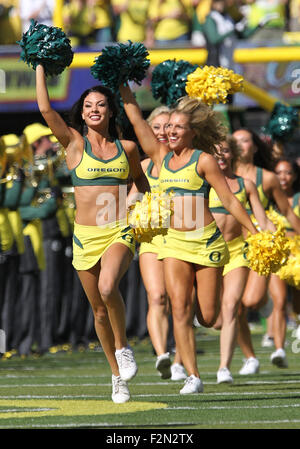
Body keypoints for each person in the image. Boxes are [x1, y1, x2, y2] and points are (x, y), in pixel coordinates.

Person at [120, 82, 258, 394]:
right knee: (178, 308)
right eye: (168, 127)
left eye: (178, 128)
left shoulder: (203, 160)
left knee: (208, 317)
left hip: (206, 242)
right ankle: (192, 375)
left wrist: (252, 230)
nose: (170, 132)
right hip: (172, 243)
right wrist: (123, 86)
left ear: (192, 131)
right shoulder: (159, 157)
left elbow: (231, 201)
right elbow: (137, 121)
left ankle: (209, 339)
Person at [35, 63, 150, 403]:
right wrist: (39, 64)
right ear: (82, 115)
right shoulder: (73, 144)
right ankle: (116, 375)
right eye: (88, 106)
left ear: (111, 110)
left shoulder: (127, 148)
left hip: (119, 230)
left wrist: (134, 202)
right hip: (85, 236)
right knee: (99, 310)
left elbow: (140, 183)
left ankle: (124, 346)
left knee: (107, 285)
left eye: (100, 104)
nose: (94, 110)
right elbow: (45, 108)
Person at [232, 128, 300, 374]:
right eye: (236, 141)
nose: (240, 145)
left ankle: (276, 339)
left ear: (255, 146)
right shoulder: (221, 175)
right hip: (231, 246)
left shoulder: (267, 178)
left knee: (252, 301)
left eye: (246, 140)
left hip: (261, 248)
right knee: (231, 309)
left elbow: (288, 211)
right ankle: (250, 357)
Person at [209, 135, 275, 384]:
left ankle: (223, 367)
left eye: (225, 152)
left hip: (237, 253)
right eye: (216, 153)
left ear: (233, 154)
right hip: (209, 253)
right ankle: (247, 354)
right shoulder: (204, 183)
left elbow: (263, 219)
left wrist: (271, 239)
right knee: (214, 320)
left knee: (231, 306)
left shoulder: (246, 185)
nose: (221, 157)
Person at [128, 105, 187, 381]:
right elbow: (131, 202)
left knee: (180, 301)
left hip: (181, 237)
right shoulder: (141, 167)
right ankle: (162, 353)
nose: (162, 132)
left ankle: (180, 358)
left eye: (167, 127)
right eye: (157, 127)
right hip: (151, 239)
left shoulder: (183, 161)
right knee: (157, 296)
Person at [266, 157, 300, 368]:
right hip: (277, 255)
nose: (283, 177)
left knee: (297, 302)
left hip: (297, 254)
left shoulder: (298, 198)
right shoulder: (268, 200)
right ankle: (279, 349)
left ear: (295, 176)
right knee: (278, 302)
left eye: (287, 172)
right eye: (279, 173)